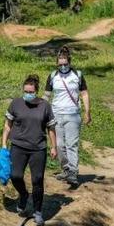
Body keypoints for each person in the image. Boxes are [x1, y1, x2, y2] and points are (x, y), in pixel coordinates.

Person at [1, 74, 57, 226]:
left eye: (31, 92)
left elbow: (51, 127)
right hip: (18, 146)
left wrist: (53, 147)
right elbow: (7, 125)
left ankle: (37, 211)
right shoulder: (16, 104)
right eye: (25, 91)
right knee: (15, 175)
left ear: (36, 92)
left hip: (38, 148)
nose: (28, 94)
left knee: (37, 180)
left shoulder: (45, 106)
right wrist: (4, 144)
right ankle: (24, 195)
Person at [44, 46, 91, 187]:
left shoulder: (78, 75)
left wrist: (87, 111)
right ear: (57, 64)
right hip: (56, 114)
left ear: (69, 62)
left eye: (65, 64)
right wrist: (40, 111)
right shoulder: (53, 76)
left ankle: (73, 172)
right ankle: (66, 169)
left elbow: (84, 94)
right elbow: (46, 95)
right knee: (58, 145)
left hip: (72, 115)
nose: (63, 66)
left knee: (71, 144)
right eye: (60, 64)